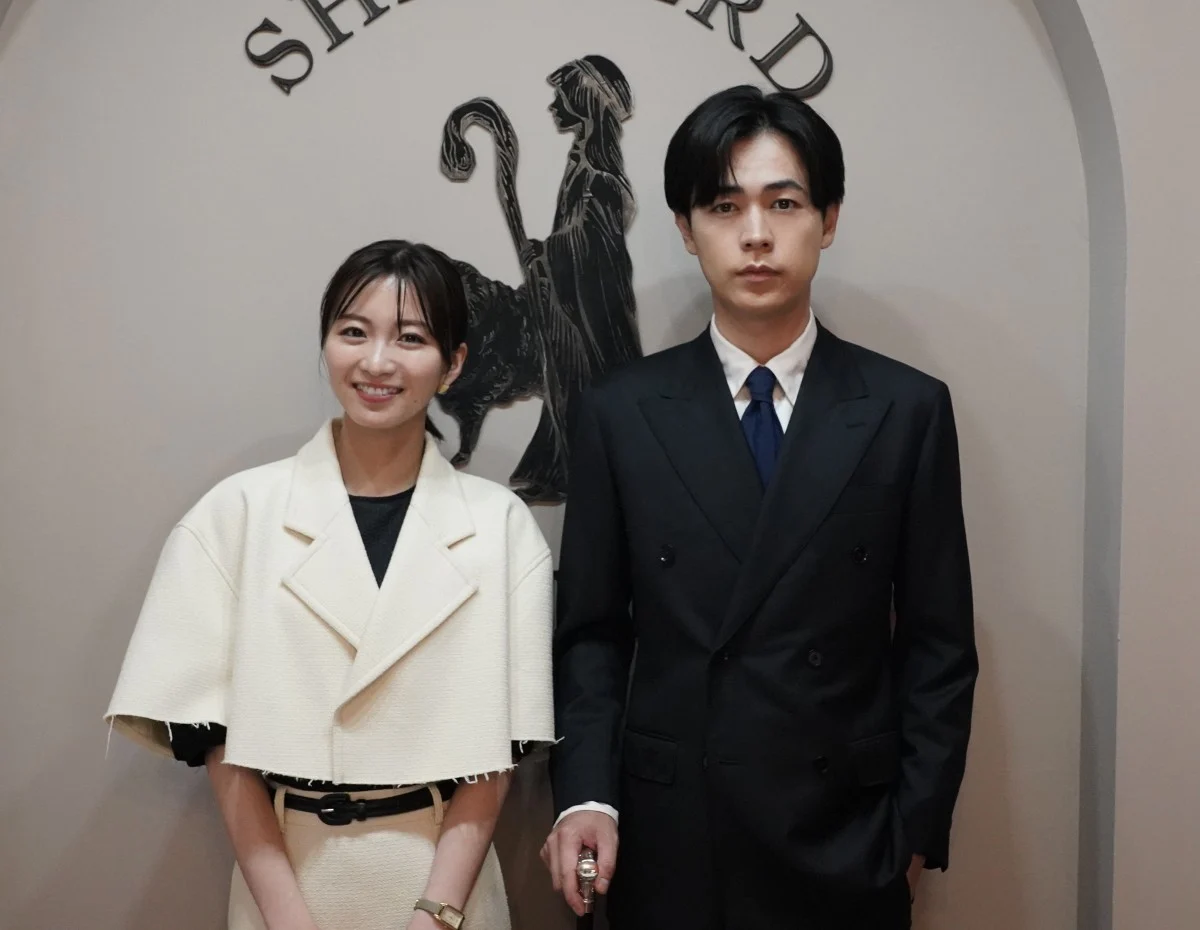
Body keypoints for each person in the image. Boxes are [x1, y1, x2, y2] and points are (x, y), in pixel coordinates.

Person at [542, 85, 977, 929]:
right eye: (723, 206)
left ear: (829, 218)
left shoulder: (905, 408)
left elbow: (938, 645)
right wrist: (586, 794)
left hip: (846, 834)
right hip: (672, 834)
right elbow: (591, 635)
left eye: (784, 203)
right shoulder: (620, 412)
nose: (755, 234)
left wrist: (913, 828)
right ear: (685, 228)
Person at [105, 240, 556, 930]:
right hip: (283, 881)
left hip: (448, 890)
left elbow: (497, 756)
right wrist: (288, 916)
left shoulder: (502, 527)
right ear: (326, 344)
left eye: (410, 338)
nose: (376, 362)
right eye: (353, 332)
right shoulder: (237, 513)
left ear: (453, 364)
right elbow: (216, 745)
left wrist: (436, 915)